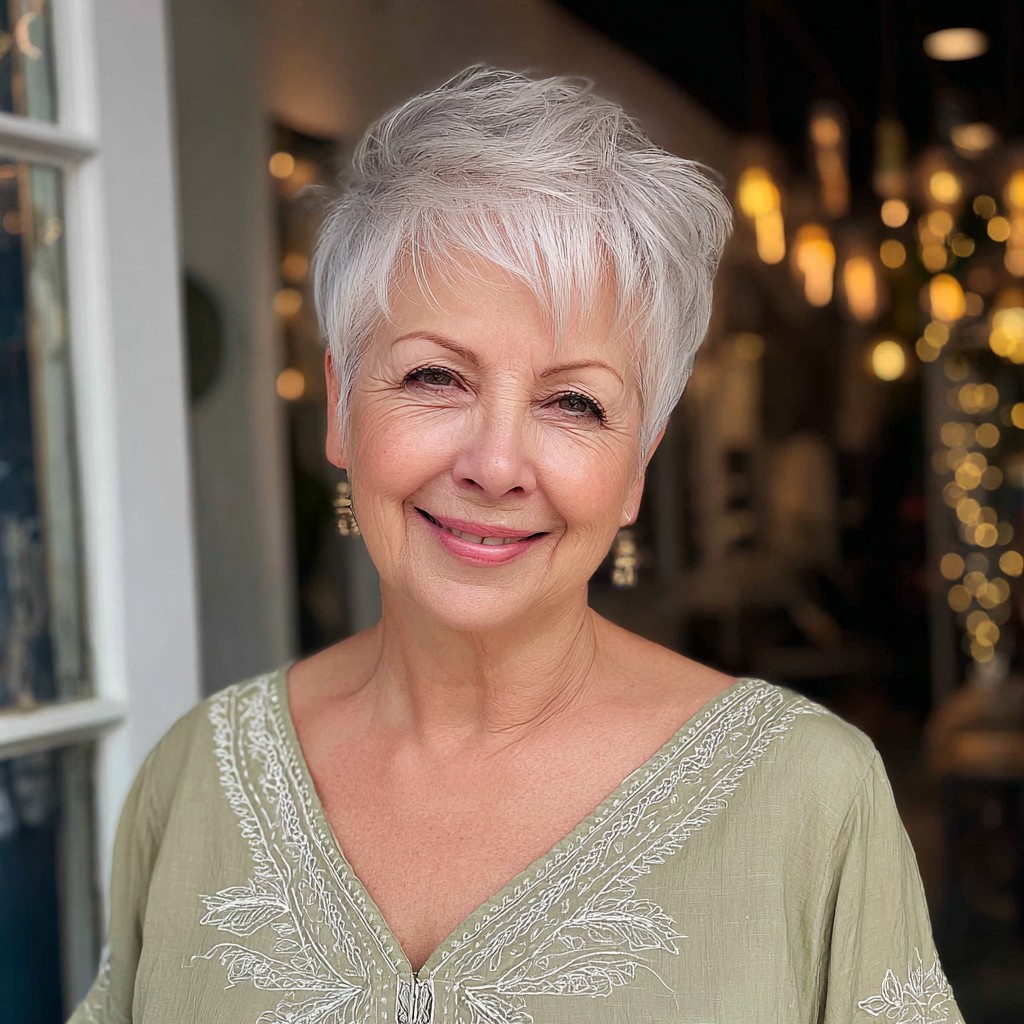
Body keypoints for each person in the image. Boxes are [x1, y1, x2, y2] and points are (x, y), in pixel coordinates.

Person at [70, 67, 964, 1024]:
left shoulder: (811, 798)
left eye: (574, 401)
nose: (496, 464)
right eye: (433, 377)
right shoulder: (194, 777)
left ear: (636, 467)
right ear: (339, 407)